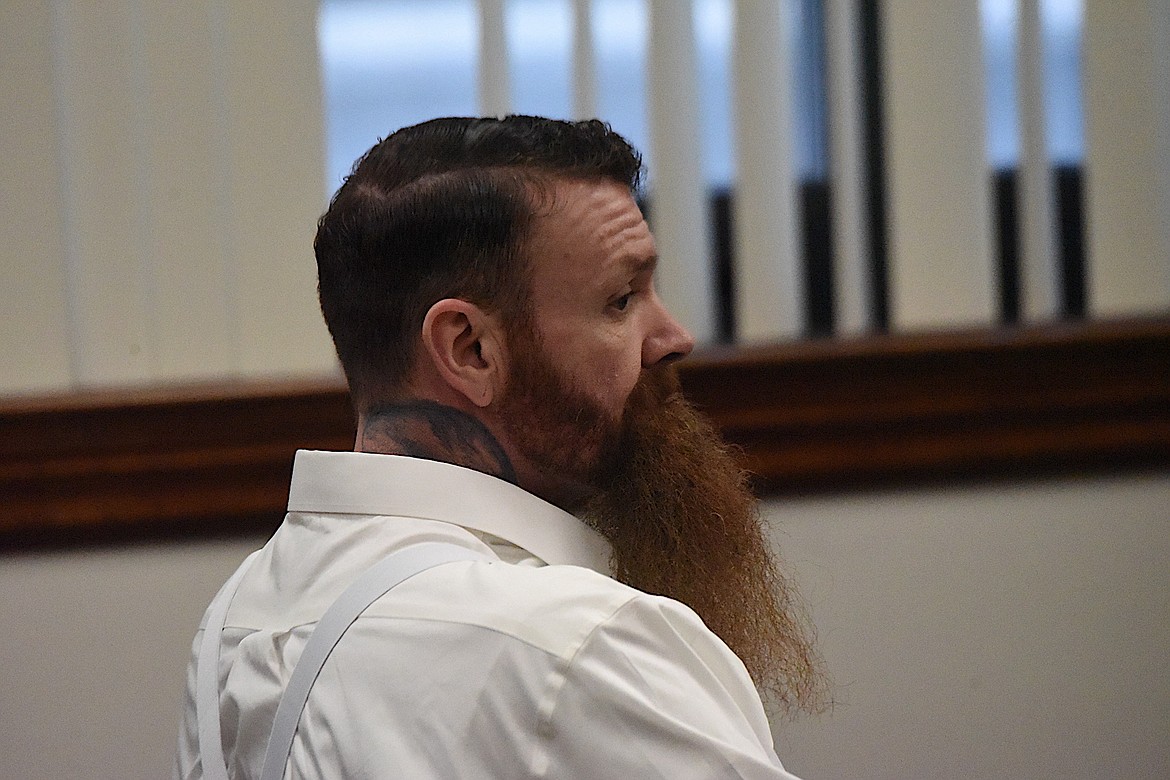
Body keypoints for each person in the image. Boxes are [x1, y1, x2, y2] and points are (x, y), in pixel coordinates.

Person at [174, 115, 825, 779]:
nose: (673, 336)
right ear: (470, 349)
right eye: (621, 300)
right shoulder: (581, 645)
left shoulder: (234, 625)